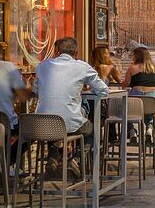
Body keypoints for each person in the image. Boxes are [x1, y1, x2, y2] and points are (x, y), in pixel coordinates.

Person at [34, 37, 109, 171]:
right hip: (68, 123)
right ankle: (76, 159)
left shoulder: (43, 65)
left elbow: (35, 90)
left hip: (40, 124)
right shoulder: (82, 66)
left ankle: (53, 156)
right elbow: (103, 90)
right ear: (76, 53)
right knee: (91, 130)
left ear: (57, 51)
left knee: (54, 121)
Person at [120, 47, 155, 142]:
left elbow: (125, 84)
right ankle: (149, 128)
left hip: (135, 99)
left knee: (125, 110)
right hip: (151, 99)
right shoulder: (154, 67)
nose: (132, 57)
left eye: (133, 55)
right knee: (149, 112)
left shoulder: (132, 68)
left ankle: (132, 130)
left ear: (137, 56)